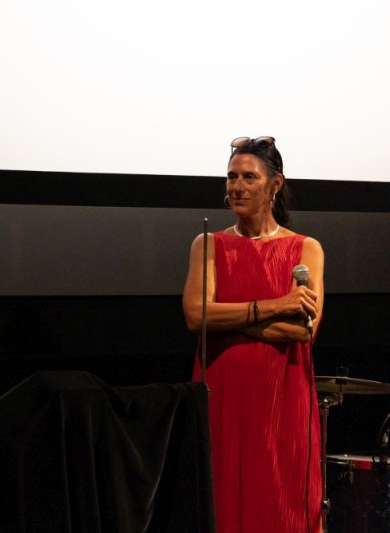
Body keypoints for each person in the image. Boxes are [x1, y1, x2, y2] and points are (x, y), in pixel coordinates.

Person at [182, 136, 324, 532]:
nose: (236, 185)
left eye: (248, 176)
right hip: (222, 392)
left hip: (284, 396)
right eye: (231, 176)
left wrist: (229, 318)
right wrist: (278, 304)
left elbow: (302, 333)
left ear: (275, 184)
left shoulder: (306, 249)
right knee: (221, 500)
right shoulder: (209, 244)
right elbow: (197, 316)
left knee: (282, 501)